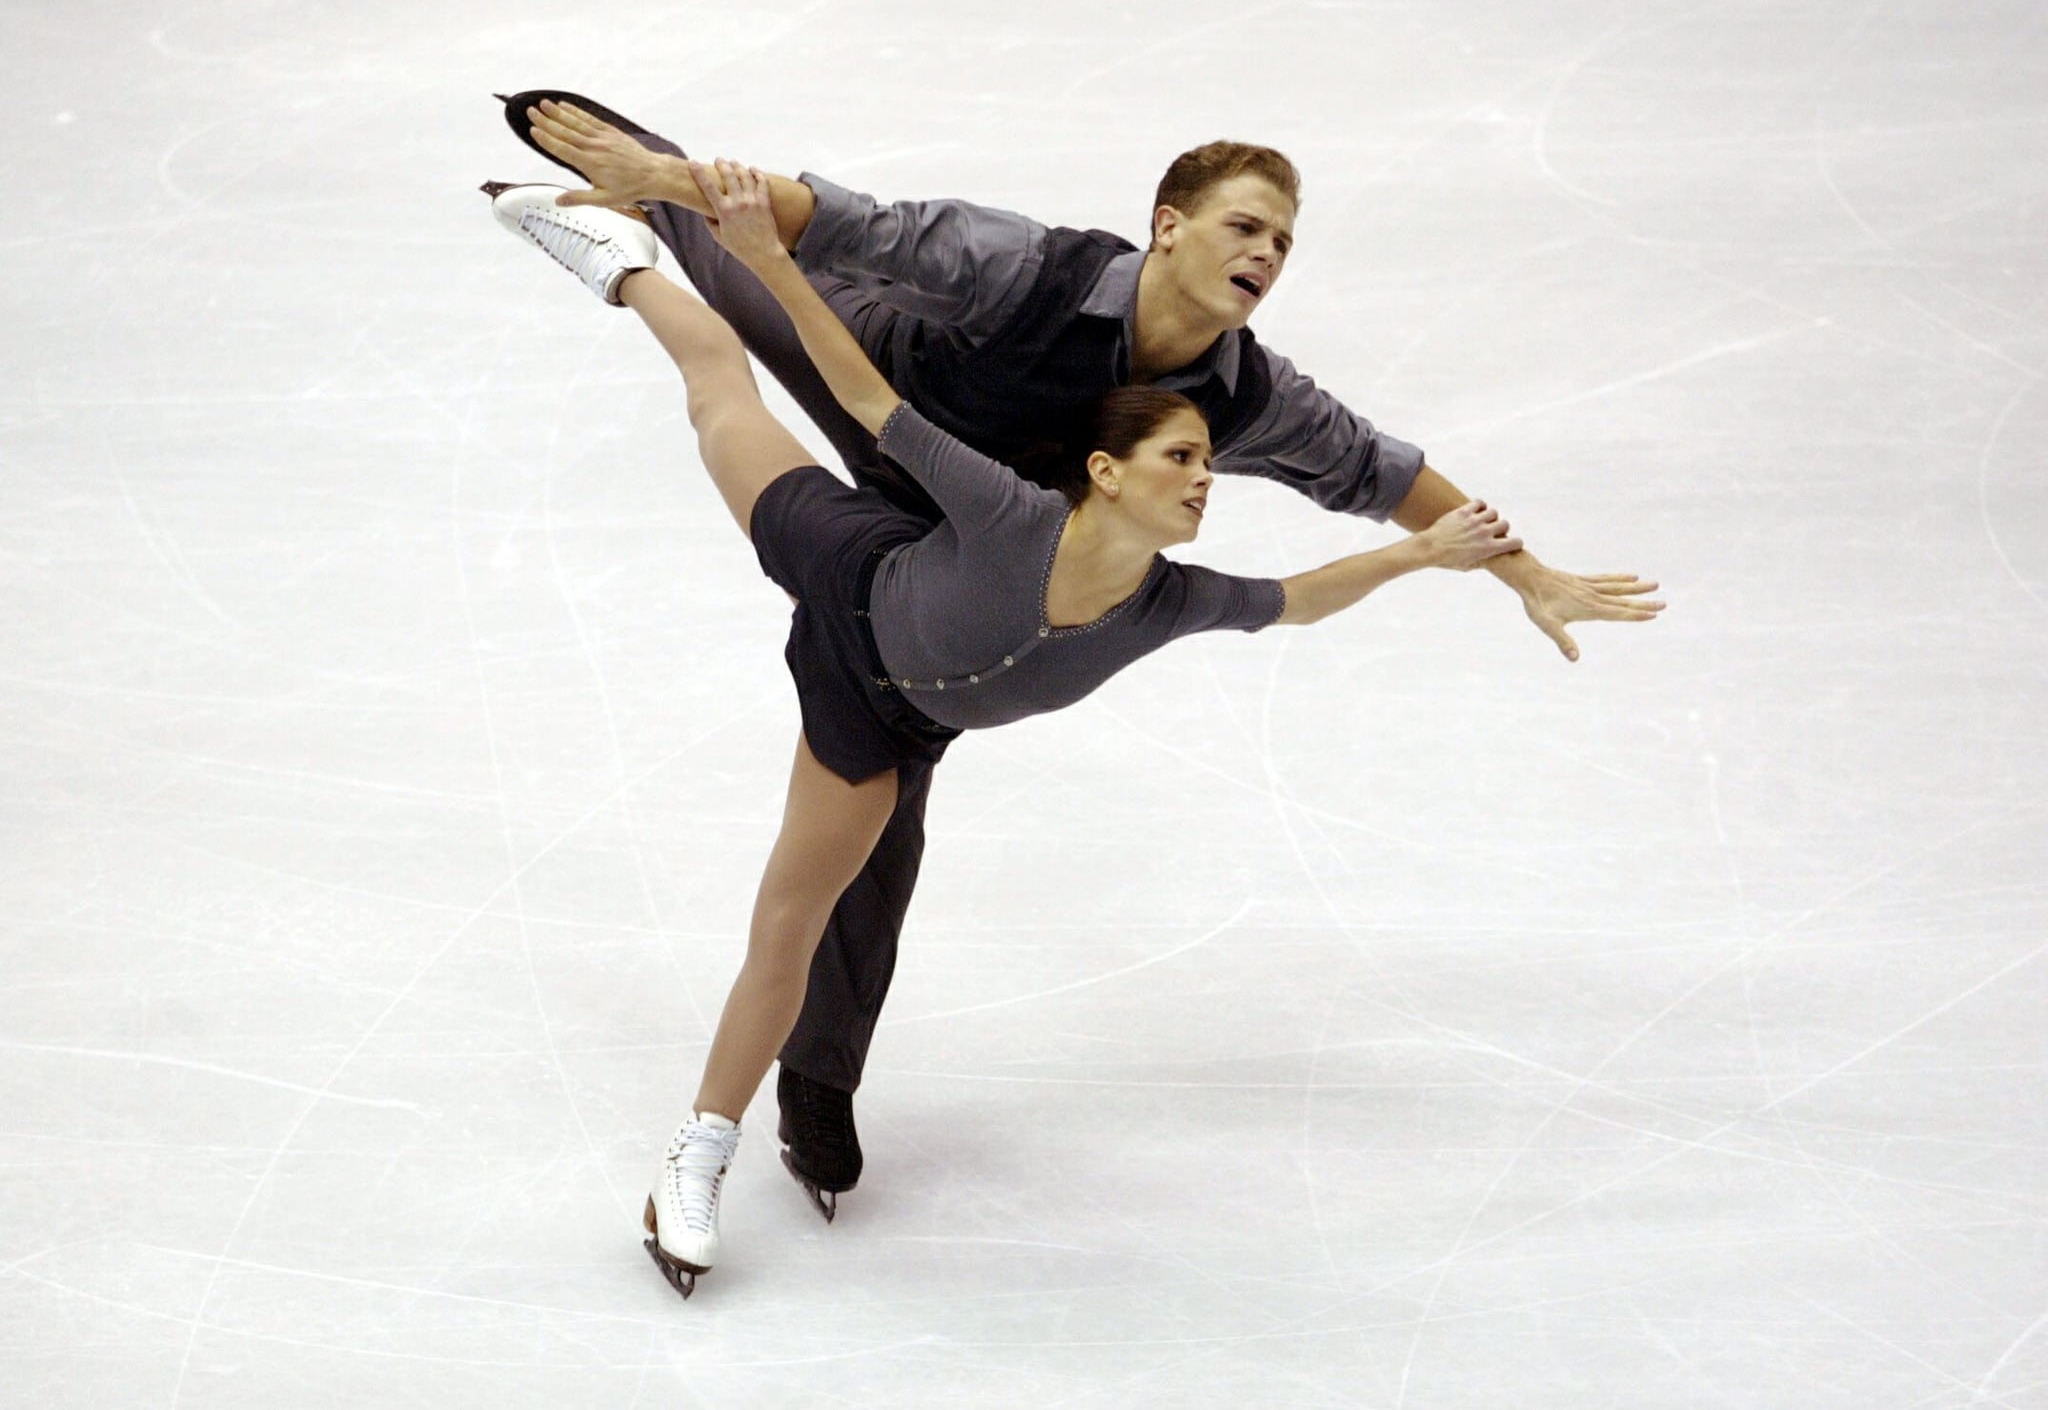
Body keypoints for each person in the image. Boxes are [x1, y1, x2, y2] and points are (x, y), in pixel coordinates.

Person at [493, 91, 1664, 1223]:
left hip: (972, 551)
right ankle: (632, 205)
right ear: (1169, 226)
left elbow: (1380, 475)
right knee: (748, 281)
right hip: (889, 393)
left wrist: (1520, 570)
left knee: (885, 835)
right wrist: (666, 183)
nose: (1264, 253)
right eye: (1242, 226)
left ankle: (818, 1082)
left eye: (1281, 243)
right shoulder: (1031, 268)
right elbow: (852, 223)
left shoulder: (1246, 396)